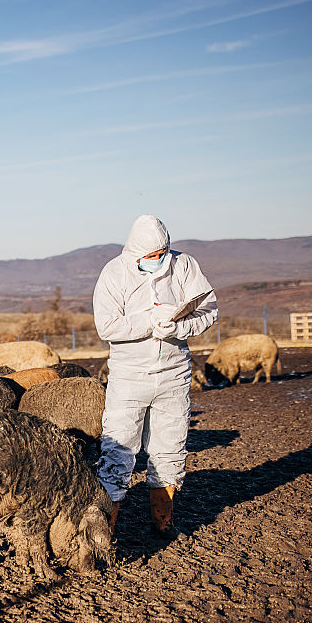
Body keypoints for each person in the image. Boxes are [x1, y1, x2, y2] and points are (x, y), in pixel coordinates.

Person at [92, 214, 218, 537]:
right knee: (118, 447)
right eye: (150, 256)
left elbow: (209, 310)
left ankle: (162, 521)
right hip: (130, 376)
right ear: (136, 252)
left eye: (161, 254)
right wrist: (149, 321)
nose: (157, 260)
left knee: (170, 446)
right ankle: (104, 530)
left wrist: (179, 327)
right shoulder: (114, 274)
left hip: (174, 374)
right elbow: (106, 325)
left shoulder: (184, 267)